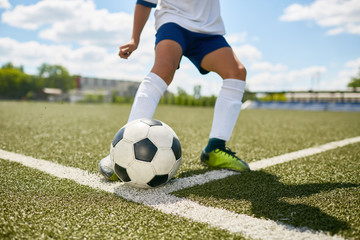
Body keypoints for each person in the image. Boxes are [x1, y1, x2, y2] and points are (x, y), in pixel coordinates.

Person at [99, 0, 250, 181]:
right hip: (173, 21)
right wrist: (134, 39)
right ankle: (121, 152)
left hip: (208, 30)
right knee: (164, 69)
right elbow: (145, 2)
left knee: (236, 73)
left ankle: (214, 148)